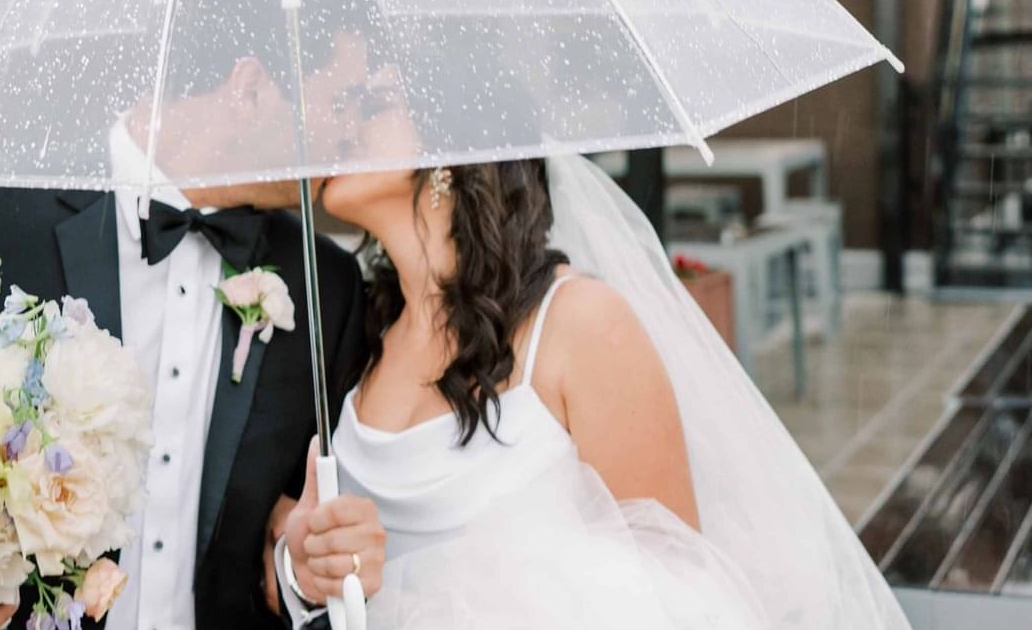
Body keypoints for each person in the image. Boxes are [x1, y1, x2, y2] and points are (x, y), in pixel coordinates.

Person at [0, 0, 384, 630]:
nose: (353, 132)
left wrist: (298, 570)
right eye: (343, 100)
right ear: (250, 86)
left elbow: (285, 550)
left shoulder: (326, 284)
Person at [284, 92, 912, 628]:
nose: (339, 120)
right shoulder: (355, 325)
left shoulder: (580, 325)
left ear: (451, 141)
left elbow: (680, 584)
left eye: (371, 104)